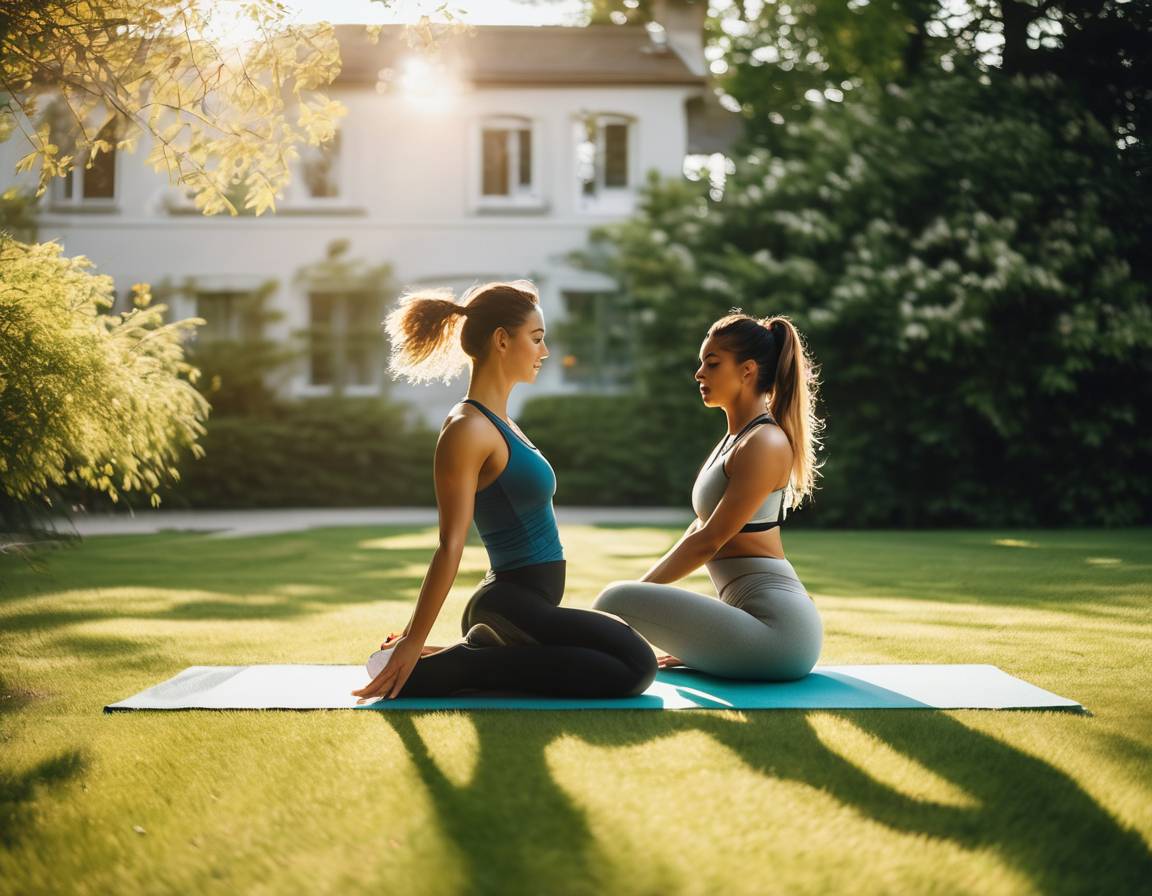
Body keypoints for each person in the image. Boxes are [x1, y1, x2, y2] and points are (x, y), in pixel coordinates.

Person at [352, 281, 657, 702]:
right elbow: (449, 545)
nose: (544, 352)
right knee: (636, 665)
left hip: (526, 607)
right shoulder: (467, 429)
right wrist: (411, 637)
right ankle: (456, 667)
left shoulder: (501, 422)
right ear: (501, 339)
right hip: (510, 605)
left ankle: (466, 655)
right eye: (536, 339)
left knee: (622, 659)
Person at [592, 312, 824, 680]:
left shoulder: (764, 442)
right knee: (618, 600)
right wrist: (696, 639)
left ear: (747, 371)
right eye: (701, 363)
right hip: (750, 622)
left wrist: (631, 598)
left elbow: (709, 541)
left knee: (612, 601)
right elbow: (697, 530)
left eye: (712, 364)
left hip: (781, 633)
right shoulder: (738, 439)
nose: (699, 373)